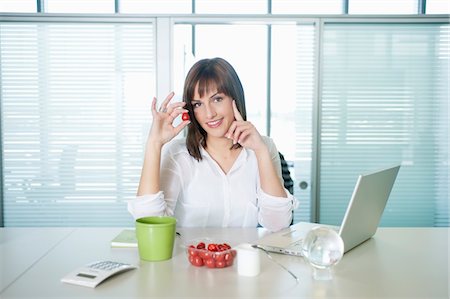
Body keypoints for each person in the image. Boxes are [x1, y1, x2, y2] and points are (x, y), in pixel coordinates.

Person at [128, 57, 297, 232]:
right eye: (198, 104)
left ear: (235, 99)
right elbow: (148, 221)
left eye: (217, 99)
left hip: (243, 258)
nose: (209, 114)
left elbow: (278, 224)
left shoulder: (264, 147)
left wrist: (260, 151)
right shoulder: (178, 154)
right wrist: (154, 144)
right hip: (189, 259)